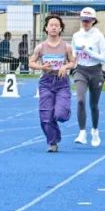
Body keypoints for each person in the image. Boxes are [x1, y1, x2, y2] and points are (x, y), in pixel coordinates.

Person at [28, 14, 75, 152]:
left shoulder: (66, 47)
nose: (54, 27)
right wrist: (41, 67)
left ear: (60, 29)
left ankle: (64, 112)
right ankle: (53, 142)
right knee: (45, 116)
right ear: (46, 28)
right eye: (51, 25)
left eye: (56, 25)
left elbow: (73, 62)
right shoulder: (40, 47)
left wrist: (65, 67)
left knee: (60, 114)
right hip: (46, 82)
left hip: (62, 82)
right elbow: (31, 62)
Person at [71, 7, 105, 147]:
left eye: (88, 20)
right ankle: (82, 132)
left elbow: (104, 58)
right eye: (83, 20)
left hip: (96, 71)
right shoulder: (76, 36)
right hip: (81, 70)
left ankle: (95, 131)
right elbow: (73, 54)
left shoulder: (99, 36)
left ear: (93, 21)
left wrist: (88, 51)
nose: (85, 23)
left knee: (93, 104)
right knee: (80, 100)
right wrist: (70, 62)